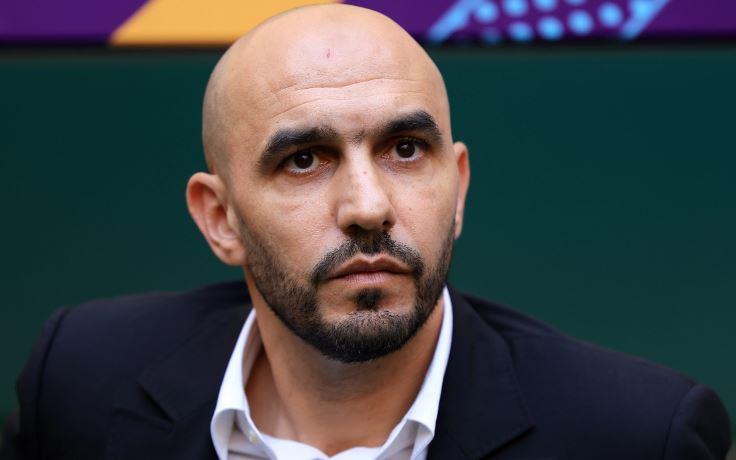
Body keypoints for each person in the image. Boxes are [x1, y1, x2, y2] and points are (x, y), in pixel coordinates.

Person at [1, 4, 731, 460]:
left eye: (405, 149)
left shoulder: (635, 436)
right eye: (304, 160)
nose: (368, 206)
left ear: (458, 187)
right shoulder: (81, 379)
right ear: (220, 219)